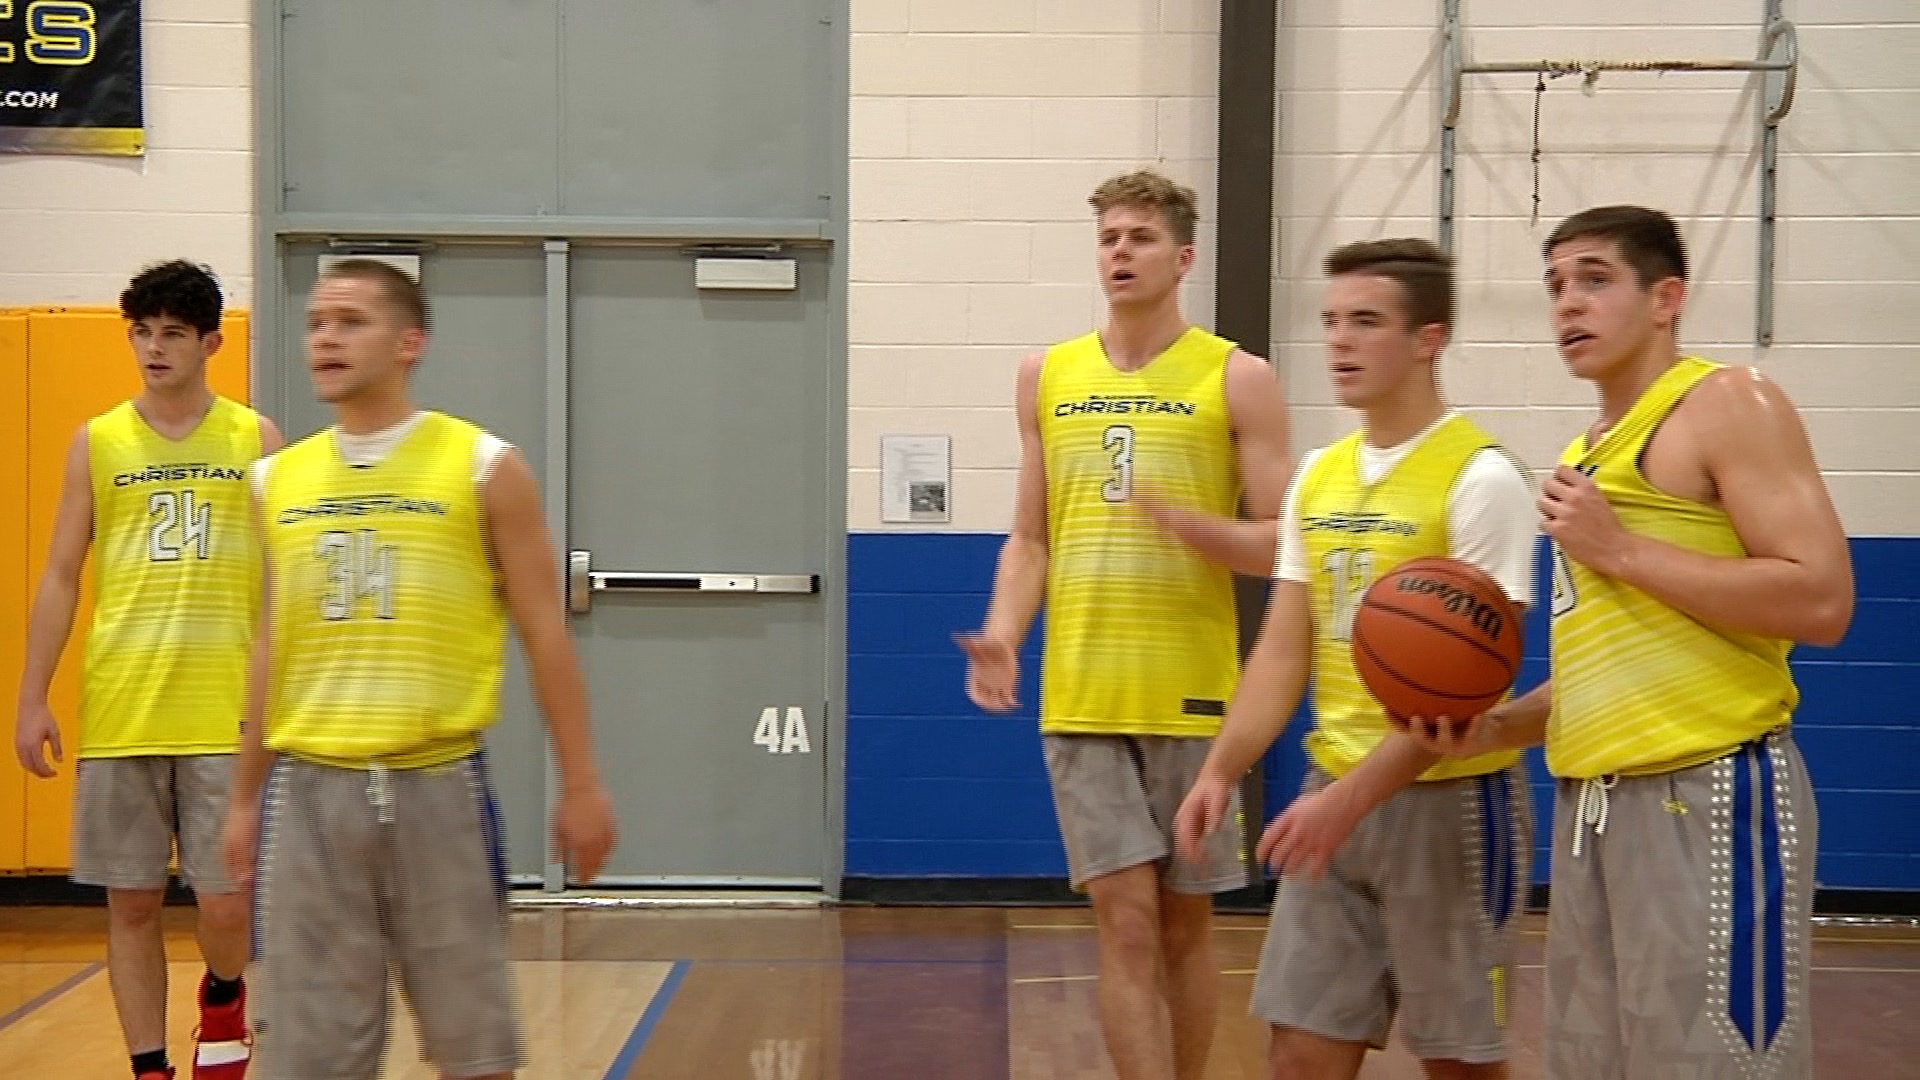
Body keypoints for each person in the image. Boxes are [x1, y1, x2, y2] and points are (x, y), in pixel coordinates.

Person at [1409, 205, 1854, 1079]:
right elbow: (1605, 669)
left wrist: (1619, 549)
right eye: (1556, 285)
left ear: (1667, 298)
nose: (1568, 304)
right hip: (1594, 811)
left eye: (1595, 279)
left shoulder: (1724, 402)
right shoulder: (1585, 455)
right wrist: (1497, 727)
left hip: (1712, 792)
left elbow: (1824, 596)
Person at [219, 259, 618, 1080]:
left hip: (439, 790)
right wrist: (245, 794)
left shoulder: (482, 468)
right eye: (316, 321)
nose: (325, 336)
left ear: (411, 342)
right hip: (310, 794)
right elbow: (272, 644)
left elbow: (545, 634)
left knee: (475, 1051)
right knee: (309, 1059)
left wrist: (581, 783)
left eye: (350, 321)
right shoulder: (275, 481)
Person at [958, 169, 1292, 1080]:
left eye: (1140, 237)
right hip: (1081, 693)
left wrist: (1199, 527)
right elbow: (1031, 536)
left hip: (1193, 699)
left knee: (1185, 923)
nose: (1120, 251)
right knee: (1126, 920)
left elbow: (1280, 545)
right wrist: (1002, 632)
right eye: (1109, 237)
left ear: (1183, 257)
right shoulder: (1047, 374)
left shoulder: (1239, 377)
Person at [1174, 238, 1536, 1080]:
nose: (1339, 340)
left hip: (1450, 808)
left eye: (1366, 322)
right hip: (1329, 794)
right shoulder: (1319, 477)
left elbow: (1477, 689)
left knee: (1460, 1063)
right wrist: (1219, 771)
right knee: (1299, 1054)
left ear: (1427, 338)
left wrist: (1348, 802)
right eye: (1332, 321)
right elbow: (1282, 649)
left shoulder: (1482, 479)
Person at [13, 260, 280, 1080]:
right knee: (130, 903)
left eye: (171, 333)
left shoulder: (255, 438)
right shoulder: (97, 441)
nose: (153, 348)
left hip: (222, 708)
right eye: (141, 331)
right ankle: (150, 1066)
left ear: (210, 341)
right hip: (123, 703)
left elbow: (281, 582)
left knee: (226, 901)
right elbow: (61, 573)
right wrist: (32, 697)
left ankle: (225, 993)